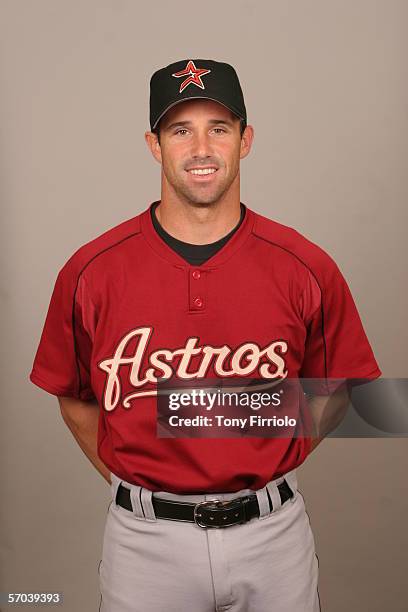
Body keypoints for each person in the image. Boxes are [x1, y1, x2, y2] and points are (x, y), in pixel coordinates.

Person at [30, 59, 381, 612]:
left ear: (245, 140)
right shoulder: (90, 270)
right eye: (180, 129)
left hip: (272, 533)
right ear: (154, 145)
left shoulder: (304, 265)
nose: (201, 147)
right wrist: (143, 481)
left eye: (219, 128)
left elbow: (342, 389)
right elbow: (73, 398)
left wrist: (268, 441)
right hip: (144, 541)